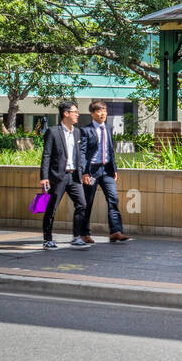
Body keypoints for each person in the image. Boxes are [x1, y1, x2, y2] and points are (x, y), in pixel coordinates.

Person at [39, 101, 91, 250]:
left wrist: (81, 171)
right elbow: (46, 155)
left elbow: (79, 155)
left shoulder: (77, 132)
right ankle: (47, 239)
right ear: (66, 113)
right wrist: (44, 177)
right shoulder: (53, 131)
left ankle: (76, 237)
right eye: (75, 112)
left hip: (74, 176)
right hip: (58, 176)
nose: (77, 114)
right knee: (52, 208)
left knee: (82, 204)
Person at [79, 100, 131, 243]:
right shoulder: (86, 130)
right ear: (92, 113)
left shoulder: (108, 128)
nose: (103, 114)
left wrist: (114, 168)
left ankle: (115, 231)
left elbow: (110, 150)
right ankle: (84, 234)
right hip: (92, 171)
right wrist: (84, 172)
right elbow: (82, 153)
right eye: (99, 111)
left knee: (113, 198)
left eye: (105, 111)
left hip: (107, 170)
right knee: (87, 202)